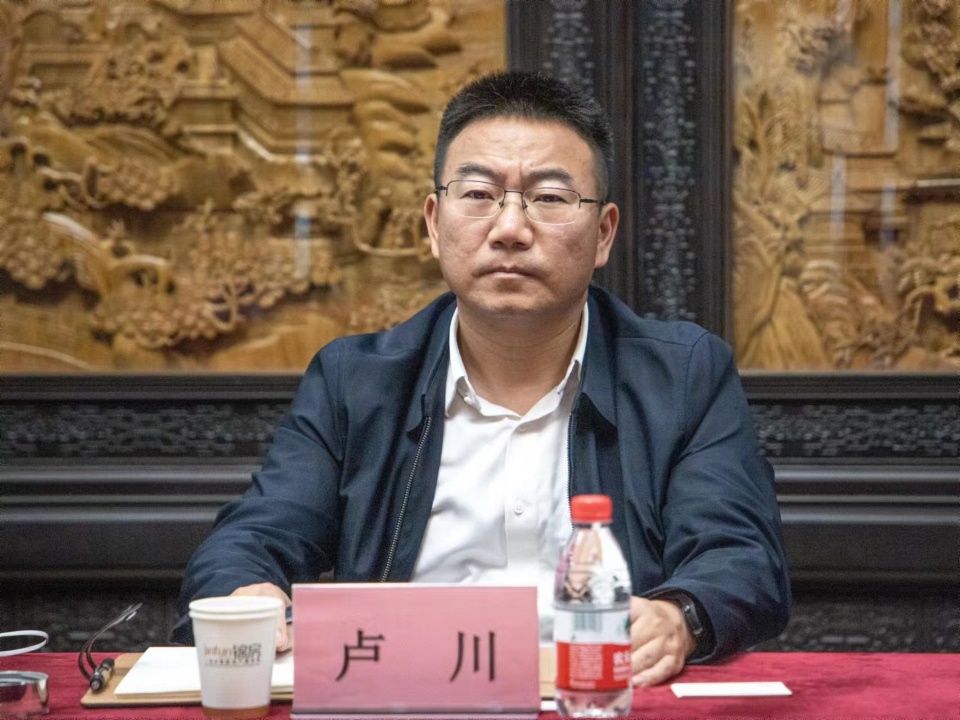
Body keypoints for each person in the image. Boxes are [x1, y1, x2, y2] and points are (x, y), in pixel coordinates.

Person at [172, 70, 790, 687]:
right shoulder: (355, 381)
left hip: (601, 697)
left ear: (603, 234)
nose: (510, 229)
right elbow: (254, 537)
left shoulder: (683, 376)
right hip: (410, 698)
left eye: (550, 198)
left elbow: (740, 557)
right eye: (478, 194)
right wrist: (246, 590)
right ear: (433, 223)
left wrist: (680, 616)